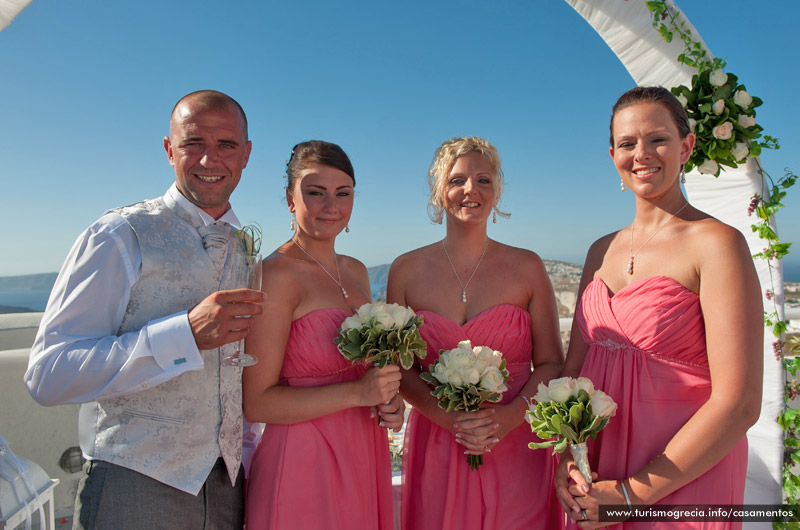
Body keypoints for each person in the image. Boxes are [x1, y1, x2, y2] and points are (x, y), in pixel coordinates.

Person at [24, 90, 265, 530]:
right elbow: (48, 374)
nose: (210, 159)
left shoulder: (243, 247)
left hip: (229, 486)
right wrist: (184, 336)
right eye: (194, 143)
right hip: (134, 484)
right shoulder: (118, 234)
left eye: (226, 144)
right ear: (169, 149)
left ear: (246, 154)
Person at [555, 86, 763, 529]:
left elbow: (741, 402)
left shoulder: (717, 243)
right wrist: (569, 457)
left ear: (686, 147)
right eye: (628, 143)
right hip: (601, 479)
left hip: (680, 479)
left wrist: (632, 494)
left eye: (658, 139)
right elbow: (574, 373)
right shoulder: (598, 251)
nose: (642, 153)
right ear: (613, 155)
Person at [387, 137, 565, 530]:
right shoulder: (406, 270)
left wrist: (510, 418)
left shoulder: (528, 266)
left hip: (518, 440)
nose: (471, 190)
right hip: (438, 439)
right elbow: (398, 368)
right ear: (439, 191)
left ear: (497, 191)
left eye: (484, 180)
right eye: (457, 180)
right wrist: (444, 417)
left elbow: (552, 362)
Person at [242, 140, 404, 529]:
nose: (330, 206)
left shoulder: (357, 270)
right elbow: (256, 403)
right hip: (304, 457)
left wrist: (388, 403)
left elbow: (365, 371)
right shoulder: (275, 275)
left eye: (342, 193)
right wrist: (358, 394)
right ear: (289, 199)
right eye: (315, 193)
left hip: (364, 449)